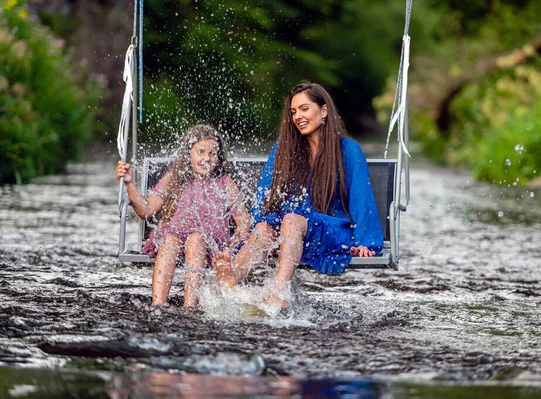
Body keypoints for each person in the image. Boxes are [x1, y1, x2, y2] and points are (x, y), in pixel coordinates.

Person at [214, 82, 383, 315]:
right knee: (266, 229)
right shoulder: (284, 149)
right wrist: (256, 227)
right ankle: (232, 276)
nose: (298, 116)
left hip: (330, 229)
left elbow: (361, 198)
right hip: (290, 230)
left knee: (292, 220)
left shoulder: (348, 149)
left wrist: (364, 241)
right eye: (293, 112)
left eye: (304, 109)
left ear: (323, 111)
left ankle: (278, 292)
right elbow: (264, 194)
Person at [115, 124, 251, 307]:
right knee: (169, 240)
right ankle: (158, 305)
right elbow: (146, 210)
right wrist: (130, 184)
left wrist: (233, 248)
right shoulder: (175, 178)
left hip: (210, 244)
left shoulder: (224, 183)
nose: (207, 159)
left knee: (195, 239)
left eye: (212, 154)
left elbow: (244, 222)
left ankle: (189, 307)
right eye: (200, 152)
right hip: (176, 237)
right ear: (189, 154)